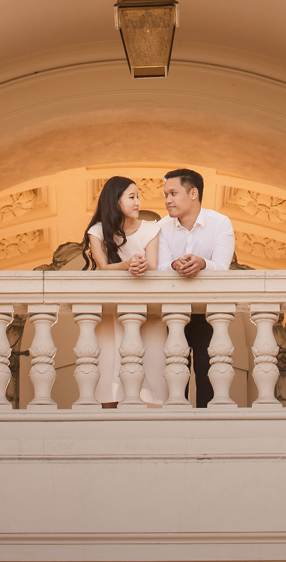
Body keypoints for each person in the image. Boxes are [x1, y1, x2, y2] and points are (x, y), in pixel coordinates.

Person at [156, 168, 235, 407]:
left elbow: (222, 267)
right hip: (171, 313)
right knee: (173, 379)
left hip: (209, 313)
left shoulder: (220, 223)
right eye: (165, 194)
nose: (167, 200)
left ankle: (209, 431)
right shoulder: (161, 227)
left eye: (173, 193)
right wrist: (173, 264)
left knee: (207, 372)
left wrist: (202, 263)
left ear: (193, 193)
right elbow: (158, 267)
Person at [81, 175, 160, 407]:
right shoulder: (97, 231)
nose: (138, 202)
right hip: (111, 311)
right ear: (115, 201)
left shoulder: (151, 229)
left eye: (138, 196)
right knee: (109, 366)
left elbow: (153, 267)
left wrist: (142, 265)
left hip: (148, 310)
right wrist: (127, 265)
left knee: (152, 369)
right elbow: (104, 267)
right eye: (132, 197)